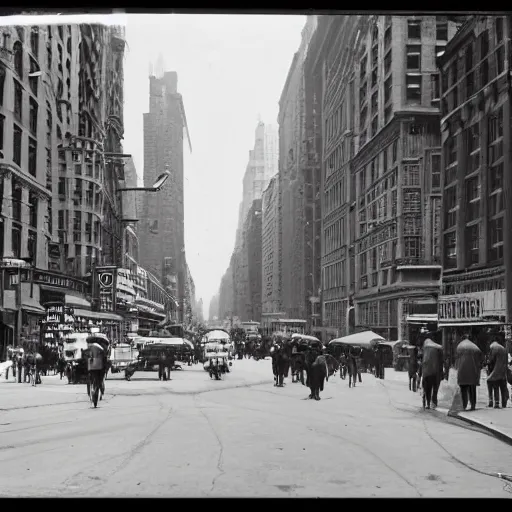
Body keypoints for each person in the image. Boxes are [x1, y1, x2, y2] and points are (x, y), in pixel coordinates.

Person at [455, 334, 482, 411]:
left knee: (463, 390)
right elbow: (480, 360)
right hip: (473, 372)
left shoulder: (459, 346)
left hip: (462, 373)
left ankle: (464, 405)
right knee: (472, 390)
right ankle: (473, 405)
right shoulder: (475, 347)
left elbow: (457, 361)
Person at [421, 335, 443, 409]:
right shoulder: (437, 350)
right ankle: (434, 402)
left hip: (427, 373)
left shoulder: (426, 351)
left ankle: (428, 403)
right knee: (435, 389)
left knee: (428, 389)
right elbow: (441, 362)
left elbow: (423, 363)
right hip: (436, 373)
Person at [486, 339, 508, 409]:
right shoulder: (503, 348)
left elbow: (491, 359)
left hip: (495, 371)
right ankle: (504, 404)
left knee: (494, 386)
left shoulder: (493, 347)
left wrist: (488, 363)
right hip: (503, 372)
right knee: (503, 388)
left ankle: (494, 403)